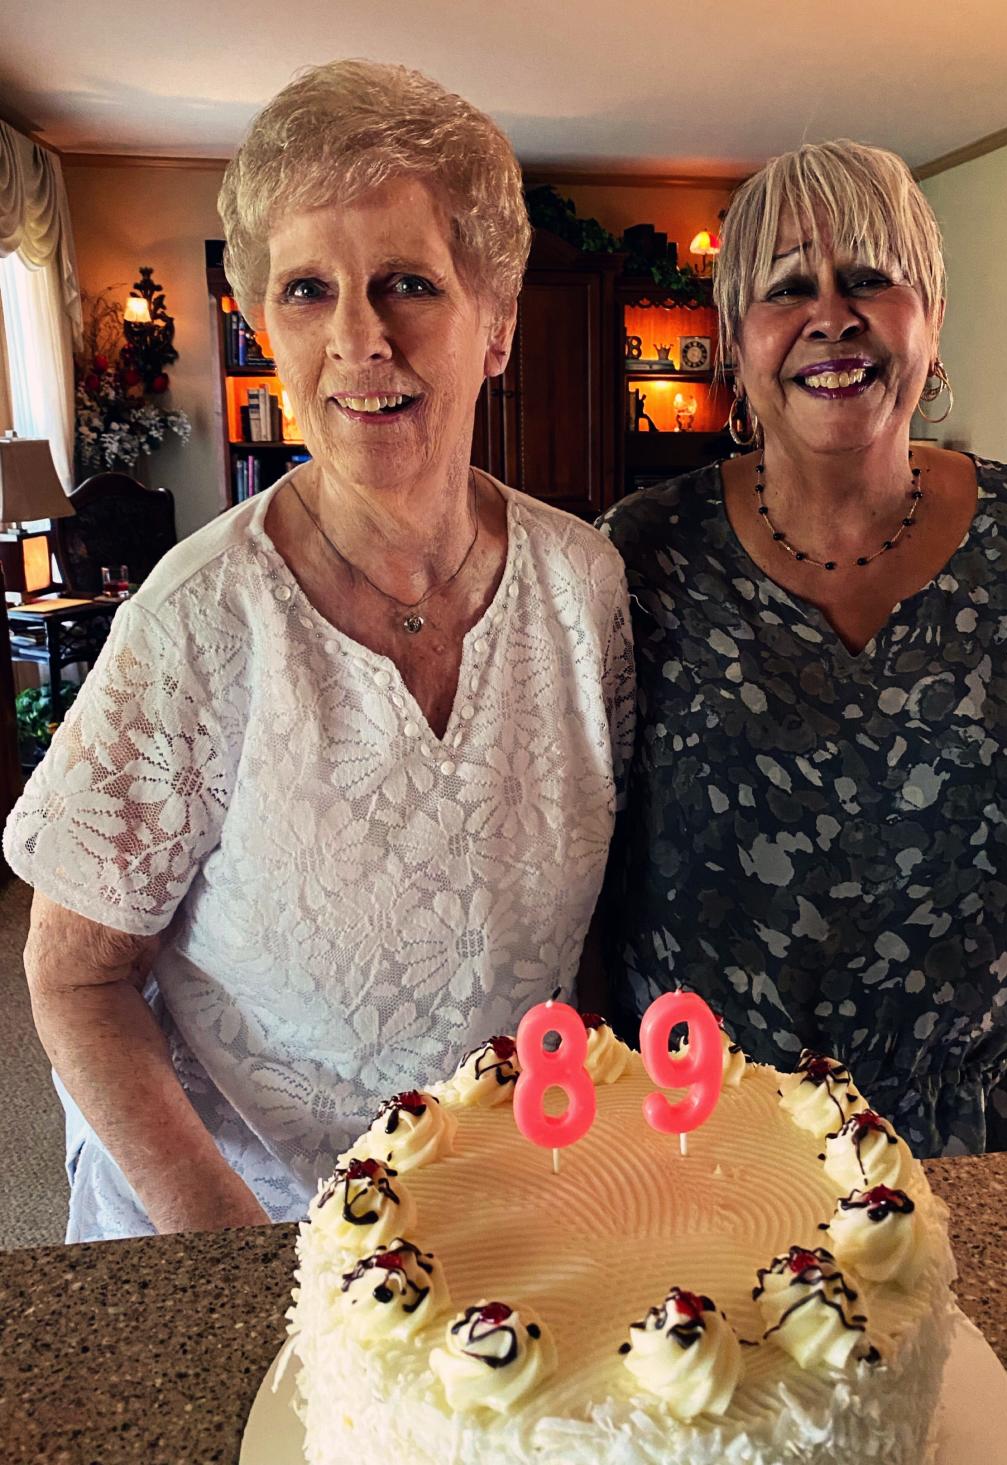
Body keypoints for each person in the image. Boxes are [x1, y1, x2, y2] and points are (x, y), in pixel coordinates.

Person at [5, 60, 633, 1241]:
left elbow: (589, 922)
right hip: (240, 1221)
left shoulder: (582, 586)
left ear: (496, 323)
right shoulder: (194, 622)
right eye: (307, 290)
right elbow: (73, 975)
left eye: (408, 284)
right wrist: (225, 1238)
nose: (359, 339)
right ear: (263, 327)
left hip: (497, 1204)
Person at [599, 140, 1007, 1157]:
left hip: (974, 1135)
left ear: (929, 321)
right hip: (709, 1141)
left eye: (869, 278)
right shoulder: (641, 555)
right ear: (733, 344)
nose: (830, 314)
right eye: (785, 289)